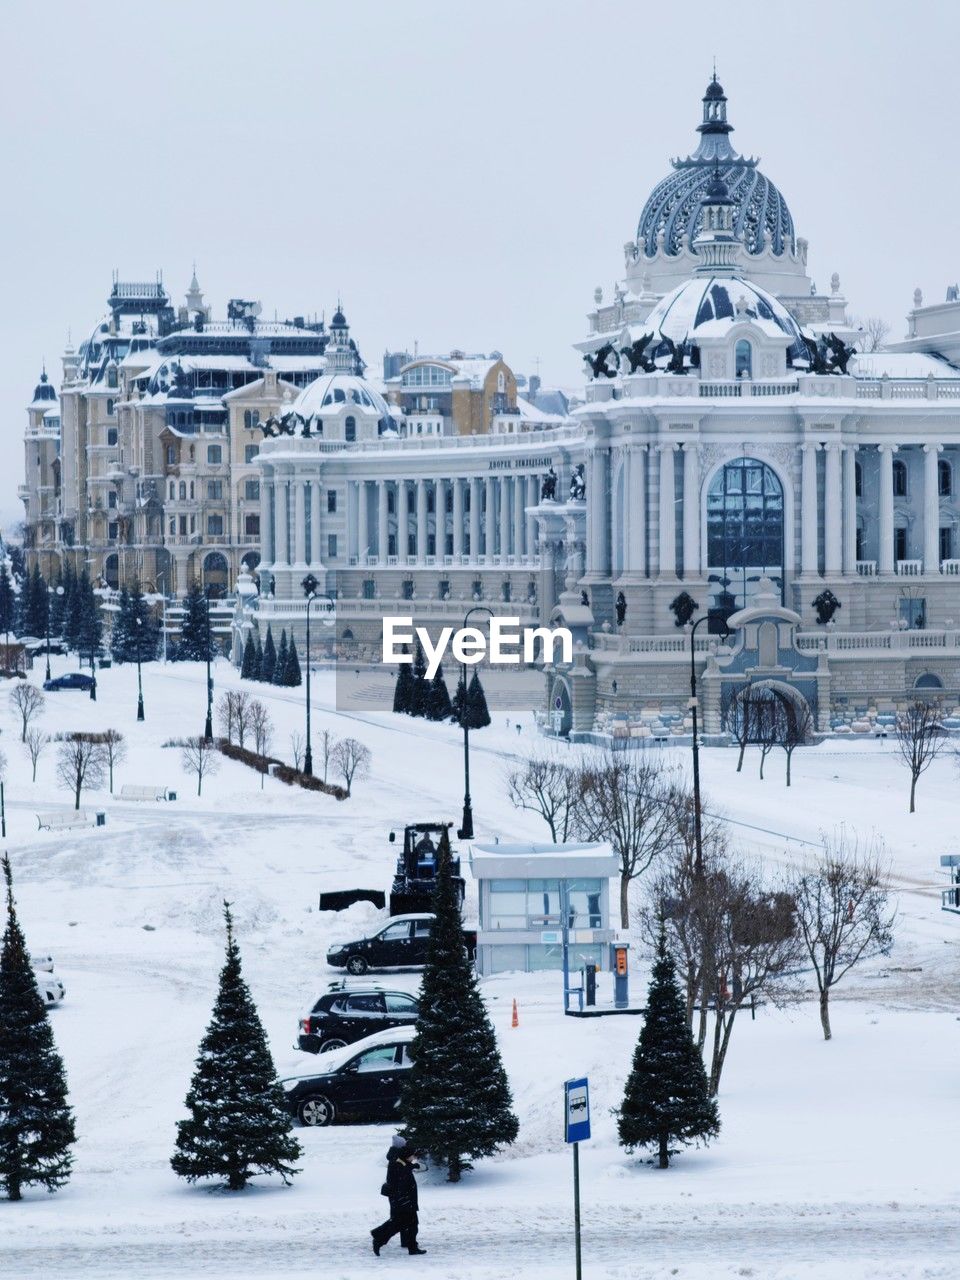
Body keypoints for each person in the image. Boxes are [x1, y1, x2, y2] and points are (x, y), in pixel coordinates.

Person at [371, 1135, 426, 1256]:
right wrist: (404, 1199)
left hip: (403, 1199)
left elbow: (405, 1168)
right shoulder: (397, 1163)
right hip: (403, 1199)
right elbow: (400, 1180)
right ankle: (378, 1238)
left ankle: (411, 1247)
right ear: (405, 1153)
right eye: (412, 1156)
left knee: (409, 1224)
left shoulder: (399, 1160)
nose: (413, 1158)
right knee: (398, 1223)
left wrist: (414, 1166)